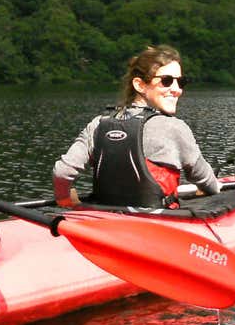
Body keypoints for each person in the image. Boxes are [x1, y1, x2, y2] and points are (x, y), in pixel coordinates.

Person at [53, 45, 221, 208]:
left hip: (104, 220)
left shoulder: (98, 124)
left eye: (181, 82)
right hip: (155, 224)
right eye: (167, 81)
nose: (177, 89)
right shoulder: (175, 128)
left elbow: (62, 172)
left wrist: (65, 200)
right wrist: (210, 187)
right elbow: (209, 184)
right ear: (140, 85)